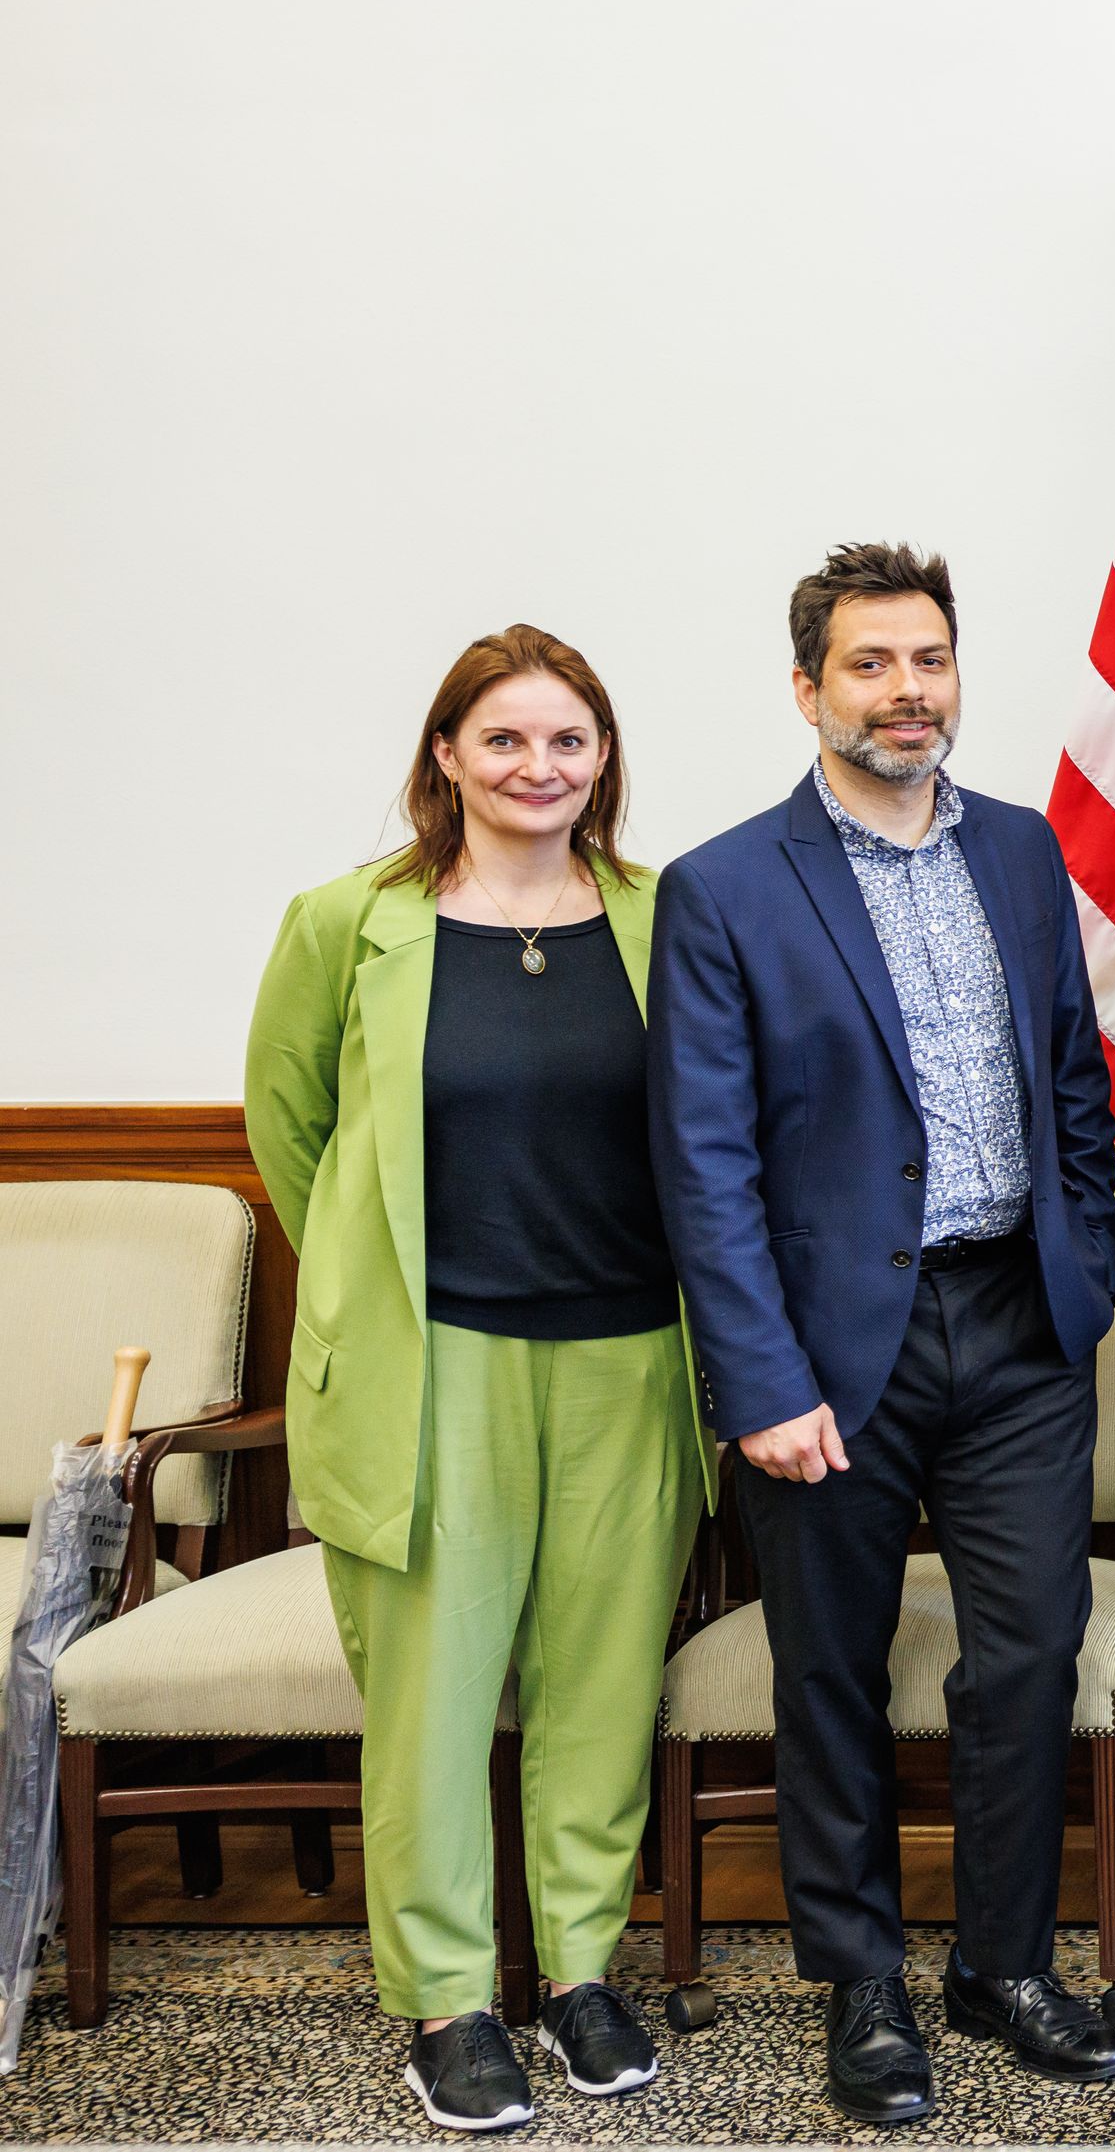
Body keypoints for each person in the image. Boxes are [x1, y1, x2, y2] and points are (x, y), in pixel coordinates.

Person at [648, 544, 1115, 2125]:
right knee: (832, 1673)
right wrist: (760, 1378)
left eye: (929, 658)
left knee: (1031, 1653)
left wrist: (1088, 1267)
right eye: (870, 663)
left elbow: (1075, 1080)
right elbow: (702, 1164)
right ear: (809, 687)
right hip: (827, 1351)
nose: (906, 689)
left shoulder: (1021, 848)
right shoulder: (725, 888)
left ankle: (1000, 1966)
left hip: (1016, 1322)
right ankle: (861, 1983)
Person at [245, 627, 705, 2130]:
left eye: (569, 740)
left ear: (604, 760)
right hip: (434, 1364)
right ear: (446, 754)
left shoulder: (663, 915)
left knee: (596, 1685)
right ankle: (446, 1997)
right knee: (434, 1704)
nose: (539, 767)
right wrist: (384, 1297)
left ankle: (576, 1968)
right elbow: (294, 1133)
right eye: (504, 739)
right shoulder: (348, 921)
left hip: (633, 1356)